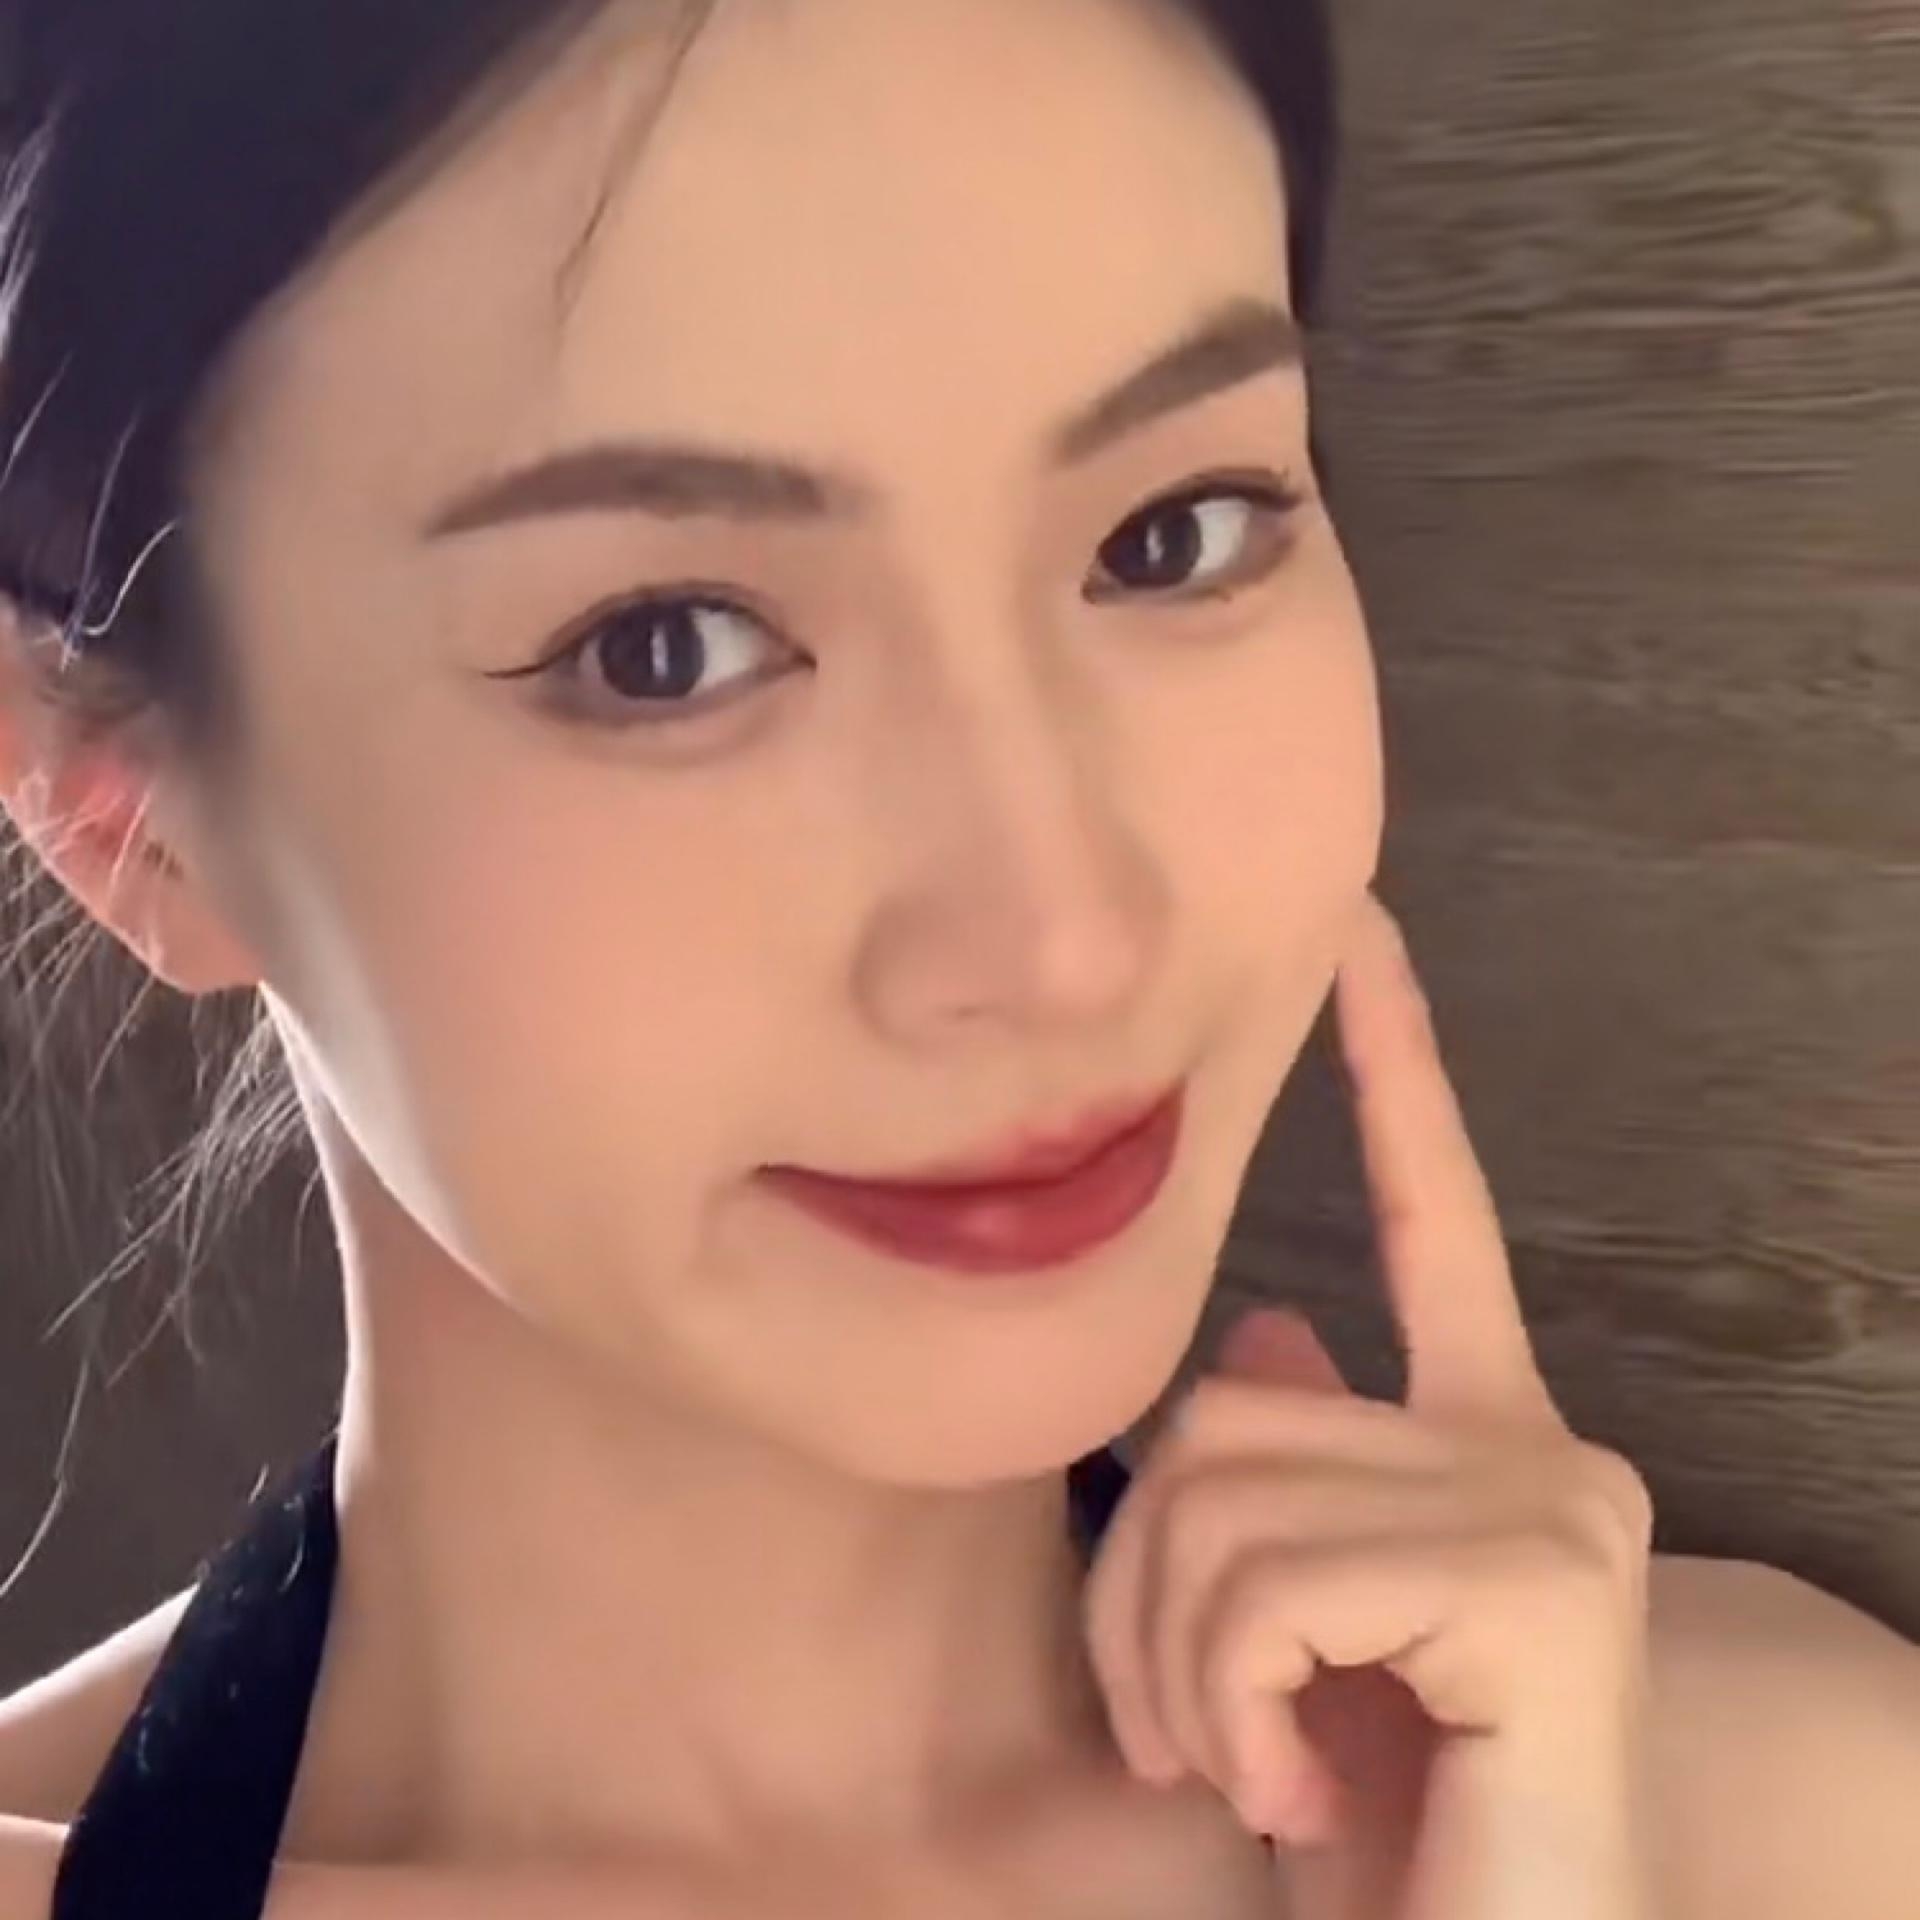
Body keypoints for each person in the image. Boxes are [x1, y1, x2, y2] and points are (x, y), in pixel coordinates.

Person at [0, 1, 1914, 1915]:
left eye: (1174, 534)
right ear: (120, 817)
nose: (1066, 942)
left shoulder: (1775, 1818)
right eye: (664, 649)